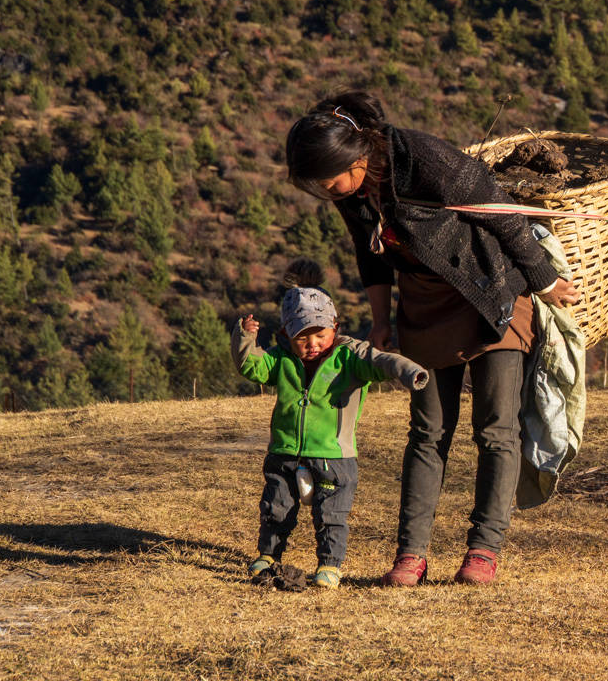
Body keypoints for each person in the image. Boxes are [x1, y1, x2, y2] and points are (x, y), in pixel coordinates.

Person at [284, 90, 580, 586]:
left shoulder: (423, 157)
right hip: (424, 306)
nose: (327, 192)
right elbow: (370, 253)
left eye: (329, 181)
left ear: (358, 158)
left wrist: (544, 281)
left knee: (495, 429)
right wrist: (381, 321)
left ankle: (483, 550)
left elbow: (502, 213)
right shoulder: (352, 192)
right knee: (427, 433)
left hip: (492, 295)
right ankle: (410, 556)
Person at [231, 259, 429, 589]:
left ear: (334, 327)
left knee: (331, 516)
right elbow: (252, 367)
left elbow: (381, 361)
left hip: (334, 458)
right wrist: (243, 339)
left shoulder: (350, 357)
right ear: (286, 335)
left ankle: (329, 565)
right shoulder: (281, 360)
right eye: (302, 339)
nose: (312, 345)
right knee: (275, 507)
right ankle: (269, 554)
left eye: (320, 335)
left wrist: (409, 372)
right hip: (284, 453)